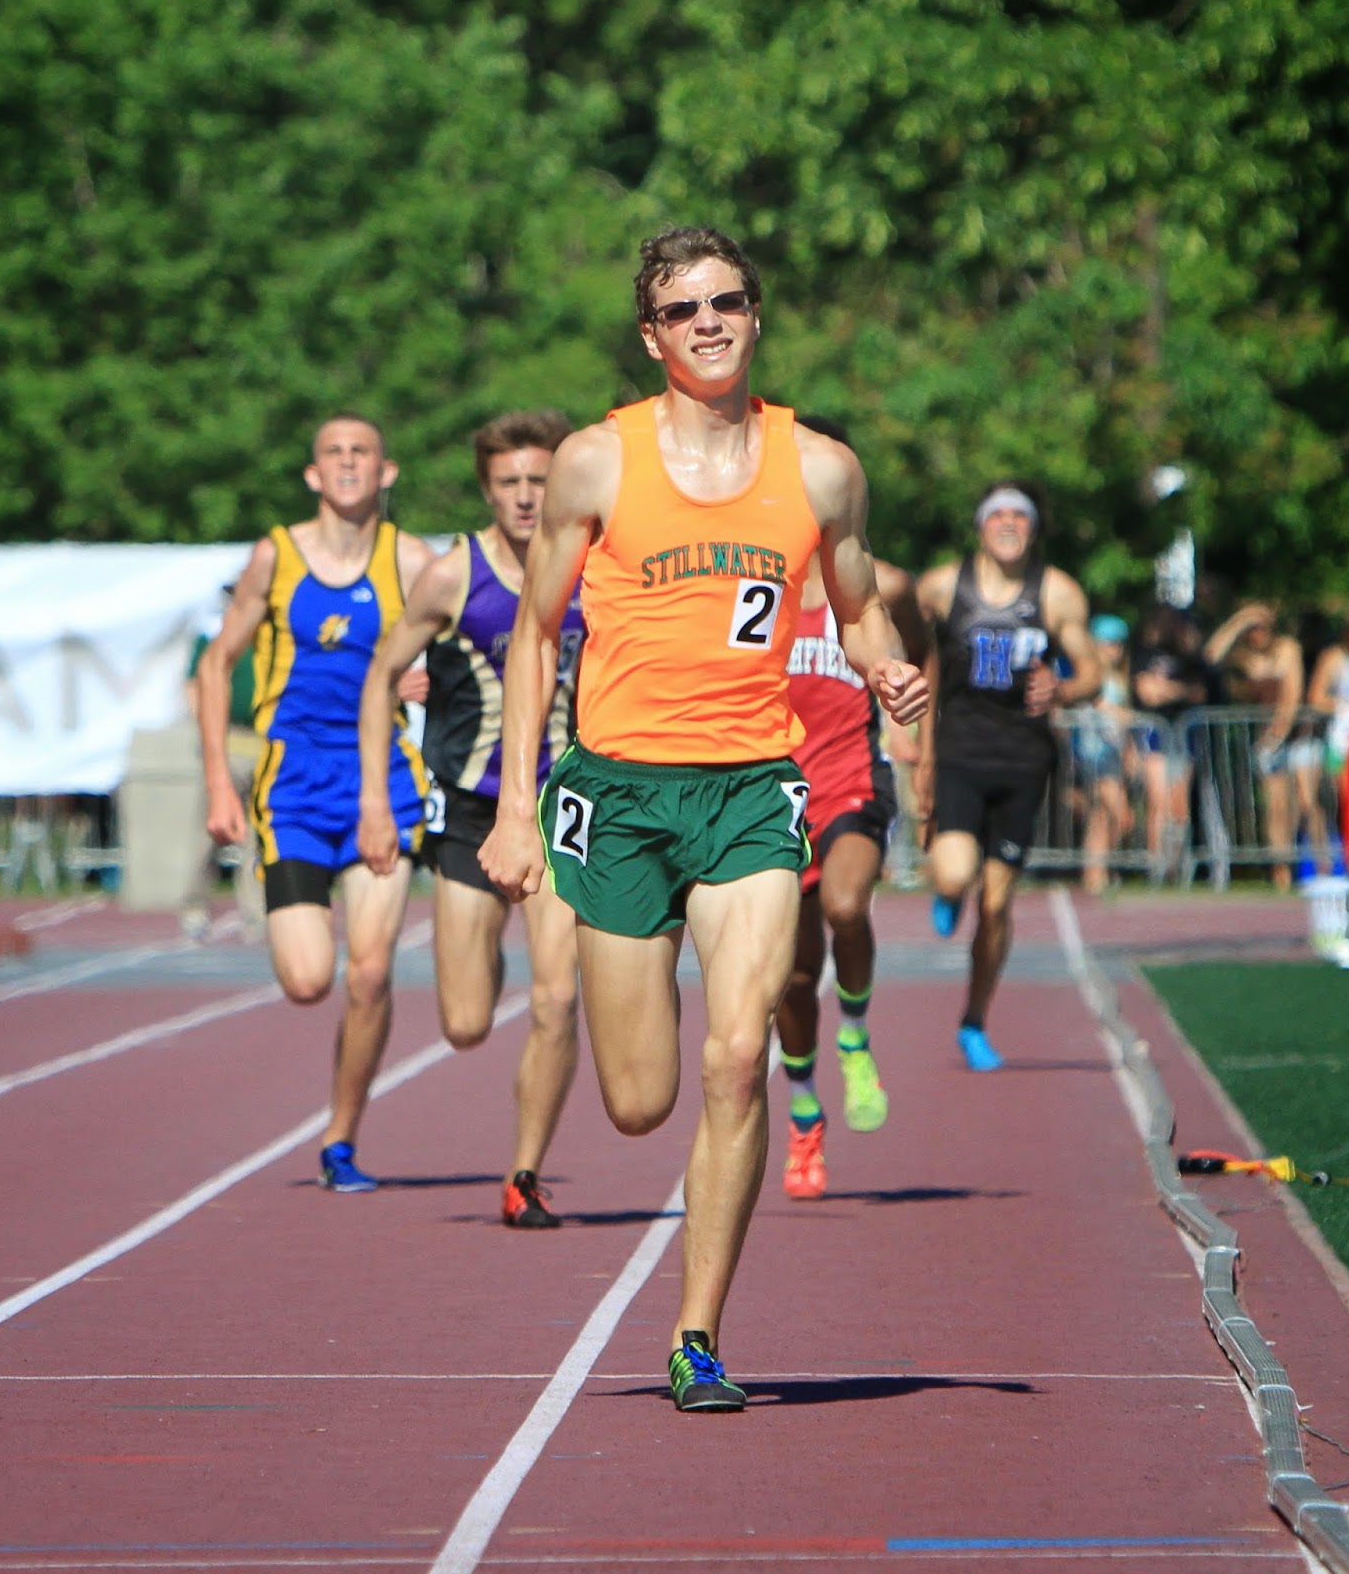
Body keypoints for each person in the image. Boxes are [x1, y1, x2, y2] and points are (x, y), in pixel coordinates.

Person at [478, 226, 928, 1411]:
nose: (709, 322)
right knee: (638, 1102)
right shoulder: (595, 463)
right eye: (684, 310)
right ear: (651, 335)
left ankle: (696, 1338)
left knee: (738, 1058)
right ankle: (648, 1021)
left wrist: (883, 668)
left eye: (728, 301)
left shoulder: (820, 468)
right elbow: (534, 633)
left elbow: (861, 600)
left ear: (756, 315)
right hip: (618, 796)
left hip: (750, 790)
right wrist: (518, 809)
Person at [357, 409, 583, 1230]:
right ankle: (482, 964)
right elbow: (383, 672)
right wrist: (377, 798)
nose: (526, 498)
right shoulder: (455, 574)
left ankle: (524, 1174)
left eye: (538, 480)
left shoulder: (600, 564)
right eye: (509, 483)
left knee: (558, 998)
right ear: (487, 489)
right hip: (471, 812)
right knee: (464, 1023)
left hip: (567, 805)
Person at [198, 414, 436, 1192]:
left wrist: (430, 679)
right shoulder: (278, 554)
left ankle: (340, 1138)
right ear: (312, 474)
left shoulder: (410, 559)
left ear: (385, 470)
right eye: (332, 453)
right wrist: (214, 782)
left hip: (385, 780)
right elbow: (214, 665)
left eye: (360, 452)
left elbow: (474, 648)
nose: (345, 464)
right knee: (308, 982)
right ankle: (337, 1120)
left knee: (369, 976)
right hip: (294, 783)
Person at [773, 414, 928, 1200]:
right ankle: (804, 1116)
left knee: (844, 904)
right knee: (792, 978)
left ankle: (858, 1038)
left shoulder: (880, 581)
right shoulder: (754, 583)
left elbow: (918, 646)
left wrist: (916, 729)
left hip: (853, 777)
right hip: (770, 796)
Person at [913, 482, 1100, 1072]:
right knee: (957, 871)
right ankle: (946, 889)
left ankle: (973, 1021)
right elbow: (921, 660)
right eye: (999, 514)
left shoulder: (1057, 591)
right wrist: (918, 749)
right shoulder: (943, 588)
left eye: (1022, 514)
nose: (1010, 524)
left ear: (1035, 528)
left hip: (1023, 762)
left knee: (996, 906)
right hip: (960, 753)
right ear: (981, 526)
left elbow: (1092, 669)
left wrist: (1065, 687)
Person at [181, 581, 266, 941]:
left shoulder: (269, 637)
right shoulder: (214, 637)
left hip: (262, 741)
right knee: (211, 831)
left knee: (258, 837)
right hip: (228, 738)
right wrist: (208, 736)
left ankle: (256, 915)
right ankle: (195, 906)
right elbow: (195, 687)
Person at [1205, 601, 1306, 891]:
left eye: (1260, 627)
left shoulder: (1287, 649)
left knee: (1304, 805)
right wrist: (1238, 620)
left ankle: (1313, 866)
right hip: (1264, 739)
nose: (1256, 634)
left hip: (1293, 736)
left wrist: (1279, 734)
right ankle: (1280, 870)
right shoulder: (1243, 655)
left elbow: (1291, 695)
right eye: (1252, 629)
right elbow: (1210, 656)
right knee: (1275, 806)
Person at [1129, 602, 1212, 883]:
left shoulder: (1189, 658)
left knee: (1179, 806)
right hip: (1156, 734)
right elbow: (1148, 694)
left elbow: (1198, 692)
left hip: (1183, 734)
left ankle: (1177, 867)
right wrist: (1177, 692)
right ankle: (1156, 867)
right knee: (1158, 802)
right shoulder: (1144, 653)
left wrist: (1170, 690)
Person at [1075, 613, 1135, 896]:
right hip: (1093, 755)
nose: (1115, 649)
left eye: (1119, 644)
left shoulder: (1119, 677)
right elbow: (1099, 706)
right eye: (1109, 643)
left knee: (1102, 818)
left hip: (1111, 756)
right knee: (1118, 814)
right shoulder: (1091, 675)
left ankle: (1097, 872)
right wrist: (1127, 717)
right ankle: (1097, 870)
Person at [1307, 611, 1349, 873]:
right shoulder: (1334, 659)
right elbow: (1315, 697)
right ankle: (1343, 858)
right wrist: (1343, 705)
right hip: (1342, 739)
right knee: (1344, 797)